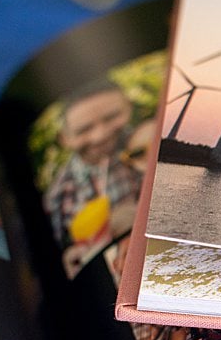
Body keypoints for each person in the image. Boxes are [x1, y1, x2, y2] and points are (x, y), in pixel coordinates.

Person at [42, 79, 144, 273]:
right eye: (84, 129)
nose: (101, 135)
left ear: (128, 108)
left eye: (112, 116)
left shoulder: (149, 144)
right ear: (65, 138)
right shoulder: (57, 195)